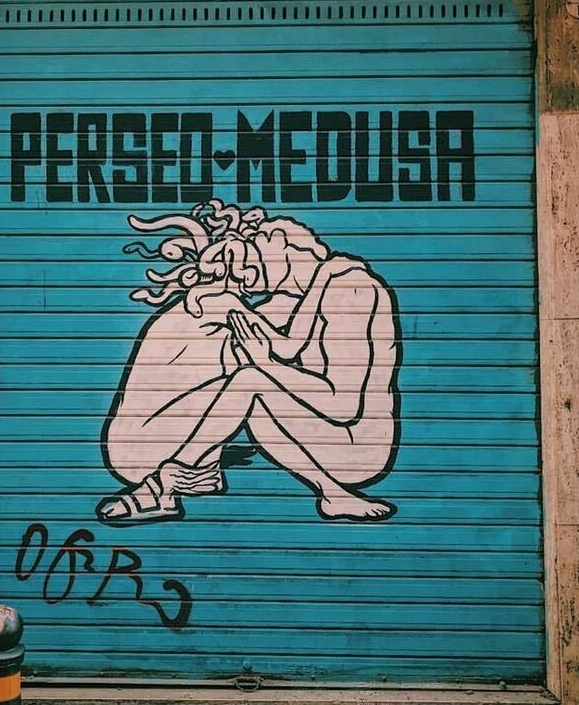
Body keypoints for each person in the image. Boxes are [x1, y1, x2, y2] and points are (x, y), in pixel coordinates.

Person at [99, 200, 400, 524]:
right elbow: (288, 348)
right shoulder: (318, 286)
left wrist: (265, 363)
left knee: (250, 380)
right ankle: (330, 495)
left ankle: (162, 489)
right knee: (248, 378)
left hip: (357, 447)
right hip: (323, 431)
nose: (248, 283)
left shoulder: (351, 289)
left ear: (283, 248)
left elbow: (343, 405)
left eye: (256, 269)